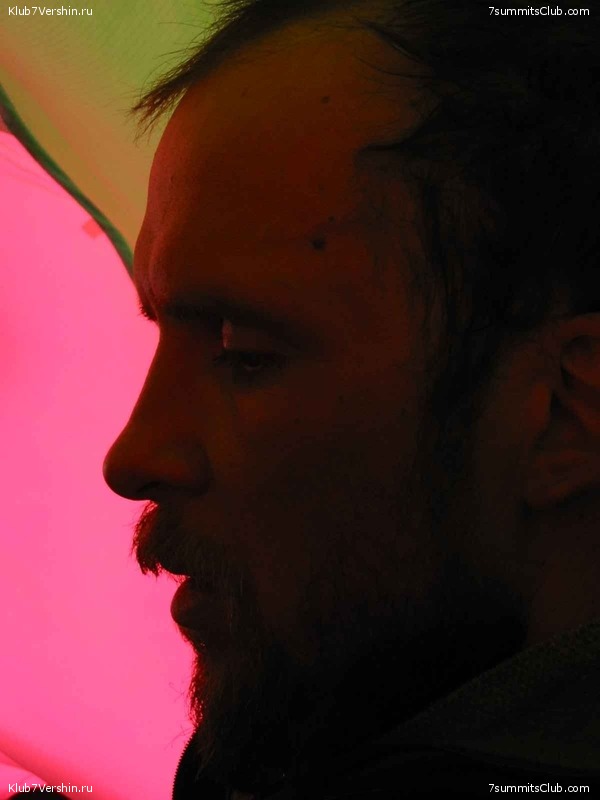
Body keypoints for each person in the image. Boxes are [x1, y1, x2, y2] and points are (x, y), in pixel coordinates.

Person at [102, 1, 600, 797]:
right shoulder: (306, 732)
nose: (132, 458)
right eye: (160, 325)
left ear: (567, 411)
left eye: (242, 352)